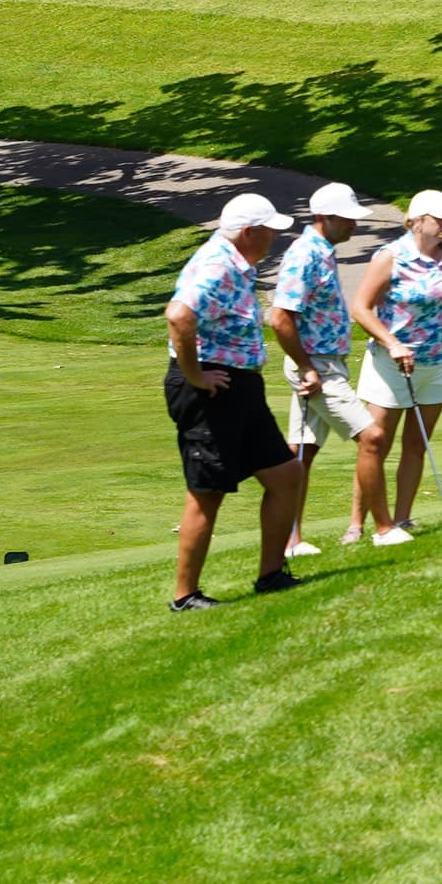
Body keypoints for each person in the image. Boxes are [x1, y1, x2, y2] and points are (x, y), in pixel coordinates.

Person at [165, 191, 306, 611]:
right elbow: (179, 316)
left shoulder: (238, 264)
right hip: (211, 388)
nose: (273, 240)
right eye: (269, 232)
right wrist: (195, 375)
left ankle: (271, 575)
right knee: (207, 492)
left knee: (286, 475)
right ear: (248, 232)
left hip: (240, 385)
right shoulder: (216, 265)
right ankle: (184, 596)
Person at [348, 190, 442, 544]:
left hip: (438, 362)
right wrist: (393, 343)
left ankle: (402, 519)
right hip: (392, 365)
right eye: (439, 218)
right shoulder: (390, 257)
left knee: (417, 444)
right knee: (375, 445)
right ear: (416, 221)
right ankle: (357, 523)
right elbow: (361, 309)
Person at [266, 183, 372, 556]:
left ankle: (291, 542)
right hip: (318, 370)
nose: (353, 226)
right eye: (347, 218)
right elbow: (281, 319)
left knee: (301, 454)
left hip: (323, 365)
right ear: (323, 217)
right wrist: (306, 367)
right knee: (371, 437)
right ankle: (388, 526)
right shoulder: (305, 254)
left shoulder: (323, 251)